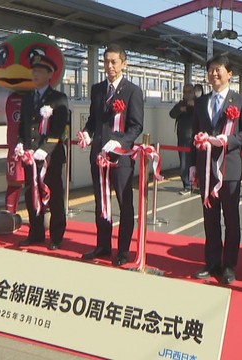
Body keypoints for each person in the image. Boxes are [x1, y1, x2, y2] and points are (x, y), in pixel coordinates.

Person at [189, 54, 242, 284]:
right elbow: (193, 136)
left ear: (230, 74)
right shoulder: (201, 102)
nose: (214, 74)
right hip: (206, 168)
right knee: (210, 218)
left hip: (230, 169)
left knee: (231, 218)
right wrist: (191, 166)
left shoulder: (241, 101)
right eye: (210, 70)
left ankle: (229, 264)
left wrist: (228, 141)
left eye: (218, 70)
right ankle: (212, 262)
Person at [79, 44, 144, 266]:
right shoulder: (97, 89)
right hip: (98, 156)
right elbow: (92, 120)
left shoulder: (132, 91)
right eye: (106, 61)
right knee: (101, 202)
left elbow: (136, 126)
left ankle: (123, 250)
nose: (109, 66)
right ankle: (103, 245)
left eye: (114, 62)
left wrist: (120, 142)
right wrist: (87, 134)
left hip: (121, 158)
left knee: (124, 203)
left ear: (124, 64)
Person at [16, 55, 68, 250]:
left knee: (53, 196)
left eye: (39, 70)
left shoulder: (58, 98)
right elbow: (23, 126)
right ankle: (35, 233)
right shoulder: (28, 97)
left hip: (50, 158)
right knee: (32, 196)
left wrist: (44, 150)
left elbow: (59, 130)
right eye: (33, 70)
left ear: (49, 74)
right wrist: (20, 144)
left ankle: (56, 236)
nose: (35, 73)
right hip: (30, 157)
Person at [169, 83, 196, 195]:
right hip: (183, 138)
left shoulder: (198, 103)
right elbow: (172, 114)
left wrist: (194, 105)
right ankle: (187, 185)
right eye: (185, 92)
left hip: (196, 138)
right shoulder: (181, 104)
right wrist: (181, 109)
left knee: (196, 162)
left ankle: (196, 184)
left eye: (189, 92)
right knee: (184, 162)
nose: (187, 94)